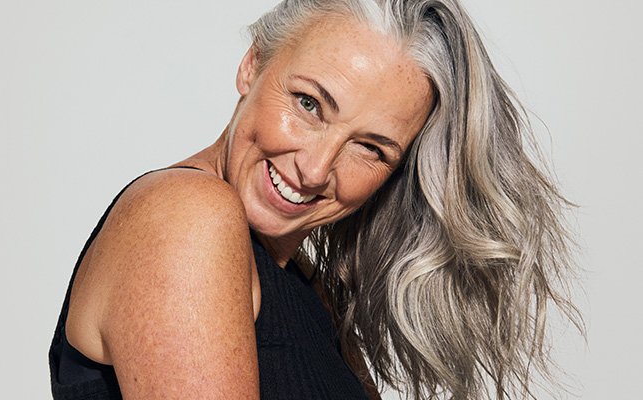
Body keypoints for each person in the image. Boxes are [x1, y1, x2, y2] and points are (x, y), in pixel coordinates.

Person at [49, 0, 582, 399]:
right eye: (308, 103)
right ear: (252, 65)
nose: (315, 167)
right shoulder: (189, 217)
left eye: (370, 148)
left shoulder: (304, 282)